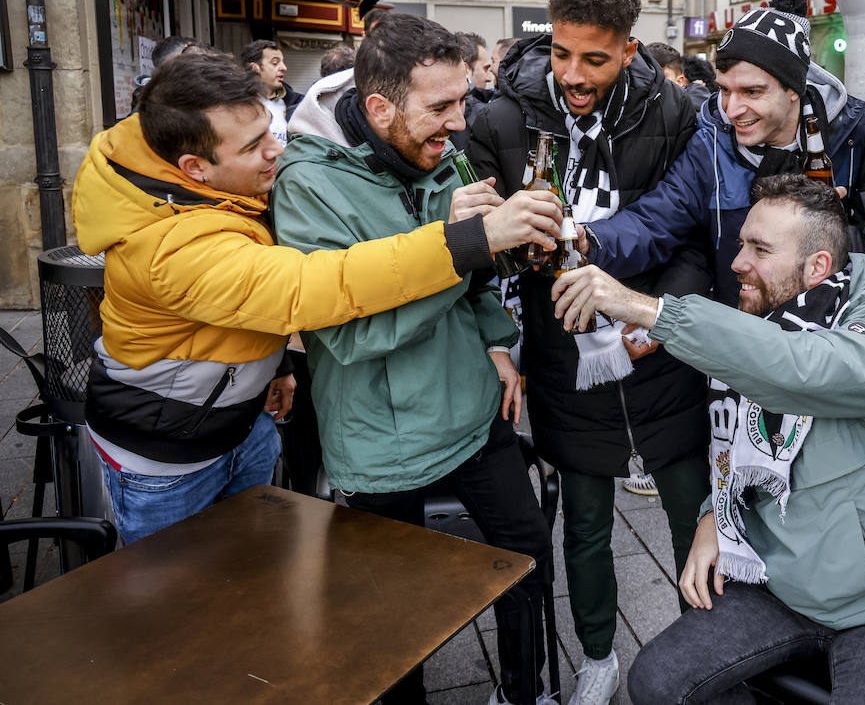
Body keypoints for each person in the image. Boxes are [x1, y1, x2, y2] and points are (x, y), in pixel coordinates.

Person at [72, 51, 546, 545]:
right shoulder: (170, 251)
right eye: (255, 146)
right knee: (179, 606)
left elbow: (239, 308)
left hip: (242, 423)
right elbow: (311, 287)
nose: (277, 150)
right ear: (196, 168)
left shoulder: (201, 179)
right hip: (168, 457)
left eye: (269, 131)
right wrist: (464, 241)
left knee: (247, 584)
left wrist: (273, 364)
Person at [549, 174, 865, 703]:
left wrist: (653, 310)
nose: (738, 262)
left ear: (818, 268)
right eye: (741, 243)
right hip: (784, 583)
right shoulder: (770, 318)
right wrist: (710, 515)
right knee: (656, 680)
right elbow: (744, 444)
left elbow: (805, 368)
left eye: (759, 249)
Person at [273, 12, 562, 705]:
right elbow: (348, 335)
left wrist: (496, 338)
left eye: (463, 101)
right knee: (395, 619)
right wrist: (456, 240)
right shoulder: (308, 184)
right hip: (381, 441)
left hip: (472, 409)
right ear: (378, 108)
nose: (459, 124)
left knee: (526, 556)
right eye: (440, 107)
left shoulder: (437, 151)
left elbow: (474, 275)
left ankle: (523, 692)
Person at [469, 0, 709, 705]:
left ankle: (703, 656)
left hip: (659, 347)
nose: (573, 73)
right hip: (561, 350)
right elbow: (479, 250)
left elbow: (697, 234)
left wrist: (659, 314)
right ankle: (599, 655)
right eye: (563, 53)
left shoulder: (677, 115)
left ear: (630, 50)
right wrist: (502, 336)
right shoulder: (503, 119)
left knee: (691, 514)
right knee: (585, 527)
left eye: (595, 59)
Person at [578, 0, 865, 307]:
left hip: (831, 336)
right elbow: (656, 220)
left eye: (752, 92)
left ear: (794, 88)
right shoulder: (710, 144)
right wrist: (591, 239)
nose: (732, 109)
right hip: (739, 337)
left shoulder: (854, 137)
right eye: (725, 90)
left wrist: (831, 229)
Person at [241, 39, 301, 145]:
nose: (284, 68)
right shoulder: (236, 105)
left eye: (282, 62)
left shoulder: (296, 103)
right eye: (275, 63)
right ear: (254, 68)